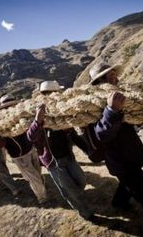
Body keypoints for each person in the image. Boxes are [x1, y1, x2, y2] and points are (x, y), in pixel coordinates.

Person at [88, 64, 143, 234]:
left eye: (116, 76)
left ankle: (119, 202)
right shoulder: (92, 105)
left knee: (128, 184)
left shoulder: (119, 98)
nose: (116, 79)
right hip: (122, 163)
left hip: (131, 156)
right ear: (99, 82)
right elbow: (101, 135)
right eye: (110, 77)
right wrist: (110, 111)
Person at [27, 80, 93, 220]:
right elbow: (30, 137)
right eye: (52, 93)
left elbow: (73, 134)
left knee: (81, 181)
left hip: (68, 156)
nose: (55, 95)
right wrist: (38, 120)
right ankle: (84, 212)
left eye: (56, 93)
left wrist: (87, 150)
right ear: (45, 95)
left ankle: (77, 197)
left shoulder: (61, 112)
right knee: (69, 189)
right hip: (52, 161)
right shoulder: (35, 113)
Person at [0, 94, 47, 203]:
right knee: (34, 178)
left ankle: (41, 188)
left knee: (38, 173)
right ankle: (42, 198)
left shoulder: (23, 118)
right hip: (20, 156)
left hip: (31, 150)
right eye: (6, 107)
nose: (9, 109)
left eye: (12, 106)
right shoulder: (1, 126)